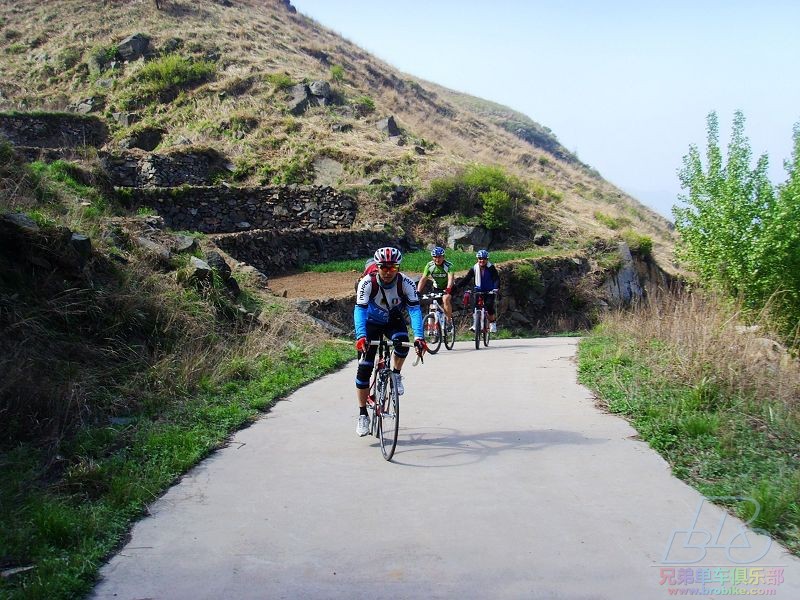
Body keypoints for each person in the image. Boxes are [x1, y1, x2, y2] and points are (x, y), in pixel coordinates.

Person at [353, 246, 427, 437]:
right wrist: (361, 336)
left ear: (398, 267)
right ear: (377, 267)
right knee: (364, 370)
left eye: (392, 268)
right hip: (370, 323)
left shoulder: (407, 283)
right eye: (383, 268)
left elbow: (414, 310)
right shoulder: (367, 283)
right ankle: (362, 414)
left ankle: (396, 374)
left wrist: (419, 336)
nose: (387, 272)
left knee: (403, 344)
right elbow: (359, 310)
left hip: (393, 321)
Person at [458, 249, 500, 333]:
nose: (482, 260)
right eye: (480, 258)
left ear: (487, 259)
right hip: (478, 290)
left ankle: (492, 323)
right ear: (477, 259)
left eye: (484, 259)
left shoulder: (491, 267)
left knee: (489, 306)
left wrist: (495, 288)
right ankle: (476, 324)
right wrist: (458, 286)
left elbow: (496, 279)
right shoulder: (474, 268)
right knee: (474, 306)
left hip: (489, 291)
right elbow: (467, 279)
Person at [416, 246, 455, 322]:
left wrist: (448, 289)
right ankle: (431, 329)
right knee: (432, 306)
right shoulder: (429, 265)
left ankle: (449, 321)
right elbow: (423, 279)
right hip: (437, 288)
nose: (437, 259)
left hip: (448, 288)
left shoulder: (449, 265)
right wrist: (418, 291)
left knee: (445, 299)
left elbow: (451, 279)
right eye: (435, 257)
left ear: (443, 257)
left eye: (439, 257)